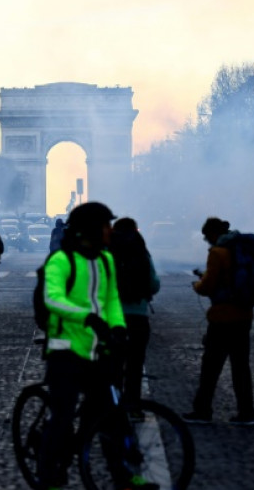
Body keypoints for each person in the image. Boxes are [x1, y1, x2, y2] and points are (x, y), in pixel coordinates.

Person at [38, 202, 151, 489]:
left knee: (111, 417)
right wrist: (87, 317)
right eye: (105, 225)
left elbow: (111, 299)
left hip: (97, 349)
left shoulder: (105, 260)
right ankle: (49, 474)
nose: (110, 230)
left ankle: (123, 477)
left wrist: (118, 328)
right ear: (90, 229)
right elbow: (53, 299)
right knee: (63, 417)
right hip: (65, 349)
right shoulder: (60, 261)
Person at [183, 217, 254, 427]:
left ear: (213, 234)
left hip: (222, 319)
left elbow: (208, 286)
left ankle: (202, 410)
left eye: (207, 237)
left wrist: (197, 284)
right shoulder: (240, 249)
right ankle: (246, 413)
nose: (207, 241)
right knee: (241, 367)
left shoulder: (217, 253)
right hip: (244, 316)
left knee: (210, 368)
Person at [108, 217, 160, 412]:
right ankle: (134, 407)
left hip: (112, 319)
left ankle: (113, 408)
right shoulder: (142, 253)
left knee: (113, 366)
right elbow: (154, 284)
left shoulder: (107, 252)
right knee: (135, 366)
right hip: (139, 318)